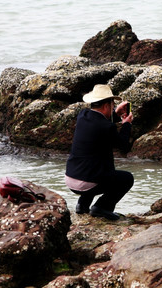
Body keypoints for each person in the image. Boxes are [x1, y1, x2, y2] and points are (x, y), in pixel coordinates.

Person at [65, 84, 134, 220]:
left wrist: (115, 114)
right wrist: (126, 124)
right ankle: (101, 208)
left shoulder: (83, 115)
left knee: (93, 167)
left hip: (71, 178)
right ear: (106, 106)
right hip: (88, 182)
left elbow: (99, 124)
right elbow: (124, 147)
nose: (114, 107)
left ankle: (82, 206)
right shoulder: (107, 127)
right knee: (126, 178)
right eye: (113, 105)